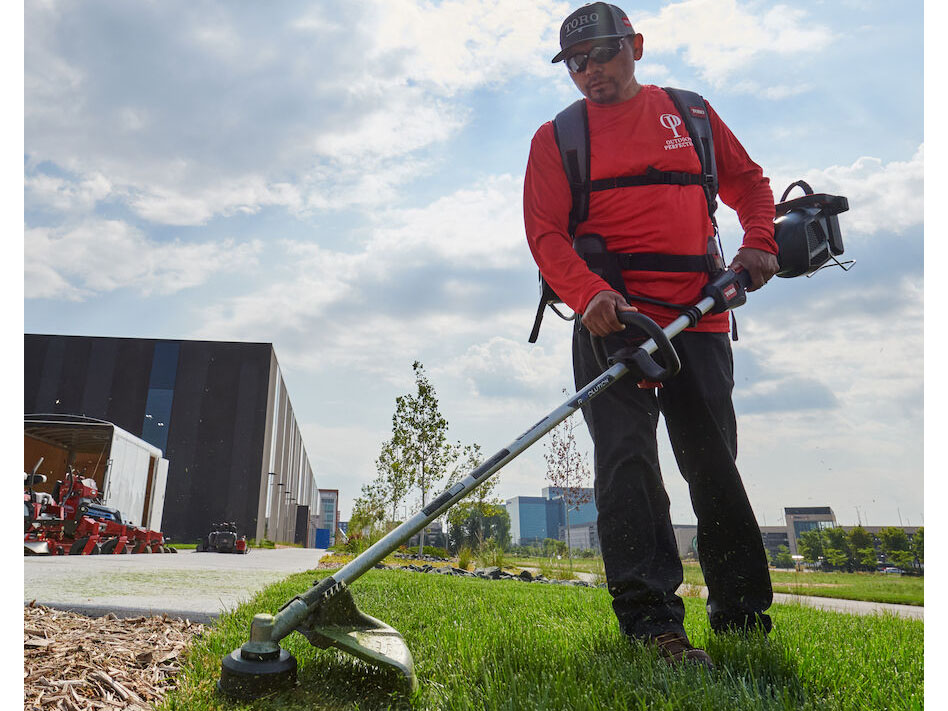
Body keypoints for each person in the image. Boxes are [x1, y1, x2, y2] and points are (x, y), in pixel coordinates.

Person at [523, 2, 777, 667]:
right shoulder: (558, 137)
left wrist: (759, 243)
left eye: (601, 54)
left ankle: (742, 615)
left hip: (701, 315)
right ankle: (653, 625)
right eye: (575, 63)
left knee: (712, 462)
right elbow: (546, 235)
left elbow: (750, 183)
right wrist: (589, 294)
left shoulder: (690, 114)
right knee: (628, 466)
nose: (589, 71)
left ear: (635, 45)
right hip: (614, 324)